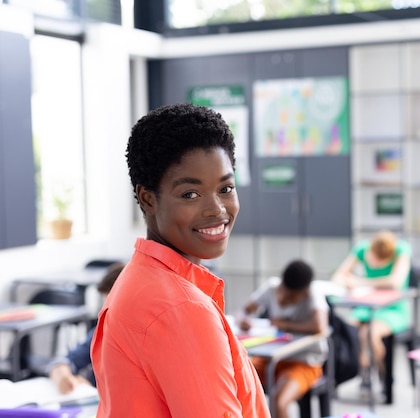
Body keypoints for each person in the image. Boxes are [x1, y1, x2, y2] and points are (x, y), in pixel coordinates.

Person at [91, 103, 270, 417]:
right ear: (148, 199)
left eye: (225, 188)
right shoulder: (182, 309)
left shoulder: (136, 280)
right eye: (190, 194)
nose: (217, 209)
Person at [238, 259, 328, 418]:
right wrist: (244, 320)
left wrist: (284, 324)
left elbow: (320, 326)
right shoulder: (272, 288)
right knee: (236, 380)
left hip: (303, 361)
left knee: (279, 401)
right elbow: (245, 310)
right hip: (271, 358)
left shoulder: (312, 294)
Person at [331, 229, 412, 394]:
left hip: (392, 308)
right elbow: (339, 275)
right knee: (350, 329)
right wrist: (346, 281)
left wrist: (360, 282)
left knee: (371, 333)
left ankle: (384, 377)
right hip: (366, 306)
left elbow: (395, 282)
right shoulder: (363, 249)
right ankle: (363, 371)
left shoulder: (401, 250)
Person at [47, 262, 125, 394]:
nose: (106, 311)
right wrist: (64, 377)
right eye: (105, 303)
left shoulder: (140, 342)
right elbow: (65, 361)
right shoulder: (101, 333)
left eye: (113, 304)